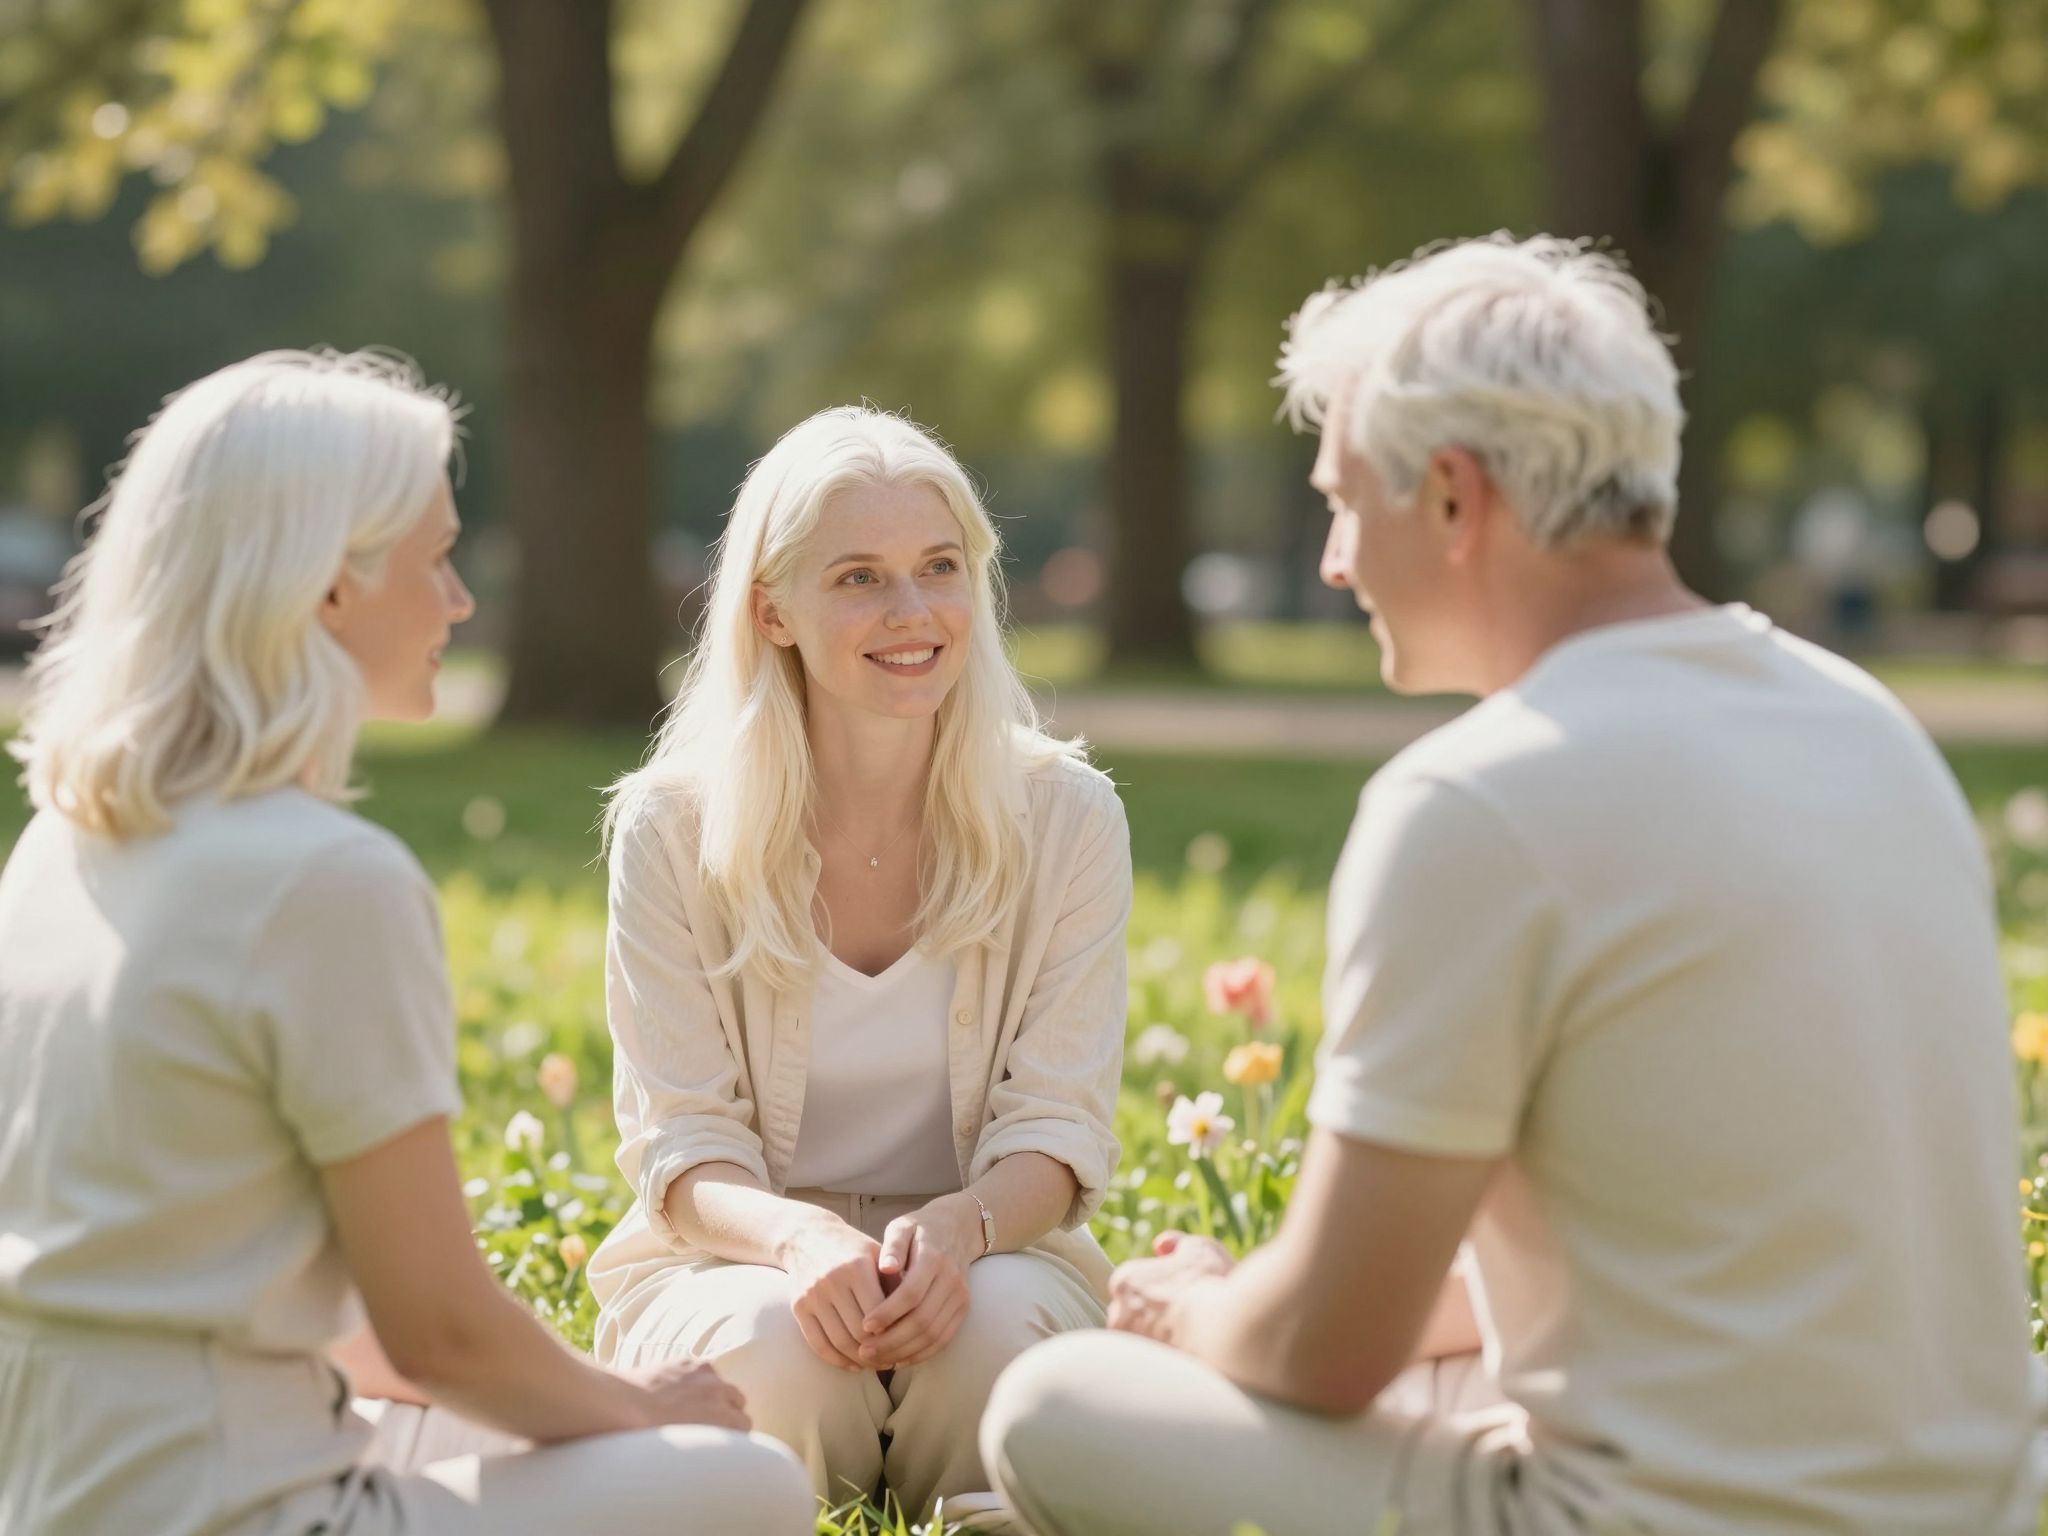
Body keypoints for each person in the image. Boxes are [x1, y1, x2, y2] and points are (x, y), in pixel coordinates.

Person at [980, 234, 2044, 1536]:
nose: (1333, 560)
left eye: (1342, 501)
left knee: (1053, 1407)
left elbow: (1323, 1352)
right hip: (1972, 1503)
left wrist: (1195, 1307)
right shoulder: (1868, 727)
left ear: (1450, 496)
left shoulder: (1475, 801)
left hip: (1655, 1518)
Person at [0, 350, 815, 1536]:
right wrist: (643, 1410)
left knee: (586, 1431)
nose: (460, 601)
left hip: (51, 1493)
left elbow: (321, 1318)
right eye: (435, 559)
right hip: (237, 1510)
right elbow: (441, 1335)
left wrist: (598, 1404)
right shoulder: (327, 880)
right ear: (331, 585)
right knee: (748, 1481)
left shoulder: (60, 843)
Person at [587, 405, 1130, 1520]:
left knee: (998, 1350)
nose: (913, 612)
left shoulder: (1068, 816)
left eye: (940, 567)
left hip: (993, 1245)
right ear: (770, 610)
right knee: (771, 1352)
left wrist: (959, 1229)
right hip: (738, 1259)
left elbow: (1058, 1125)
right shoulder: (669, 828)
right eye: (858, 579)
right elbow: (683, 1142)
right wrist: (800, 1240)